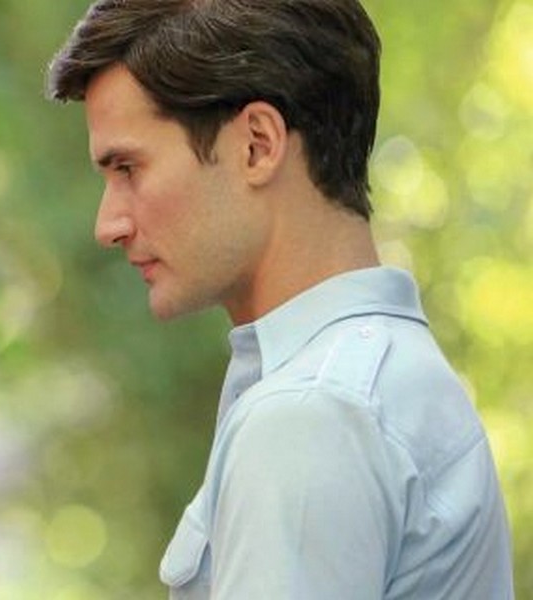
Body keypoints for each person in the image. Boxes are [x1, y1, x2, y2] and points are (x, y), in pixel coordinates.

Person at [47, 1, 514, 598]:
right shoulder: (389, 376)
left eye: (128, 168)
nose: (107, 224)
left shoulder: (309, 414)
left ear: (257, 145)